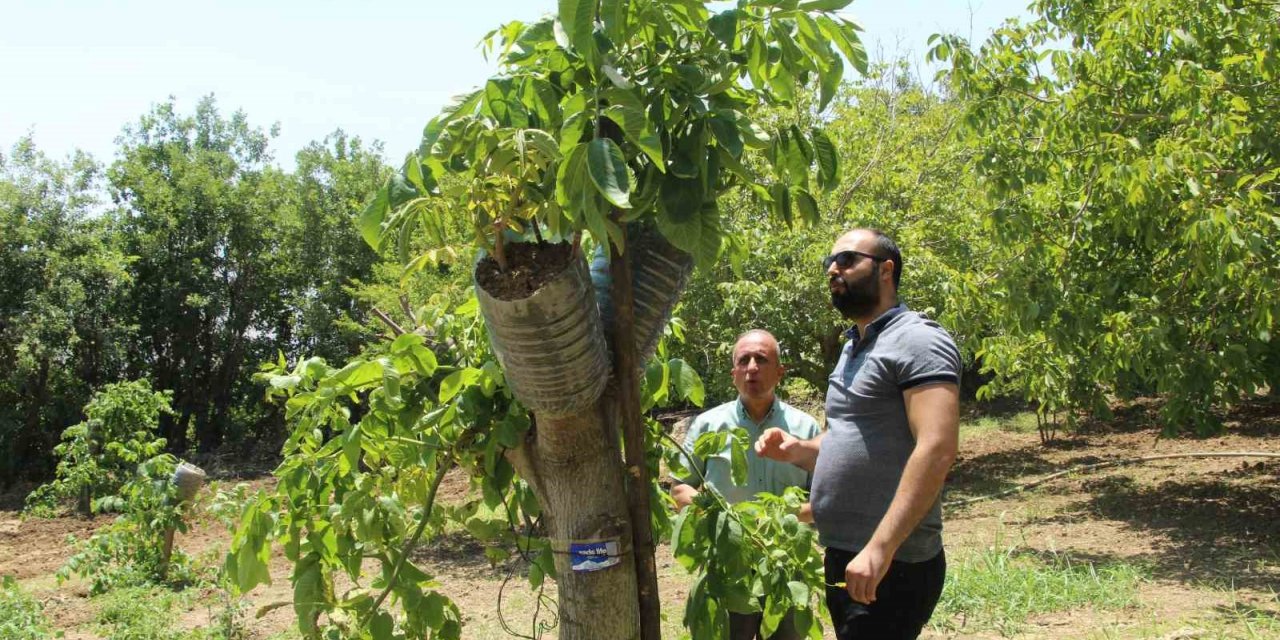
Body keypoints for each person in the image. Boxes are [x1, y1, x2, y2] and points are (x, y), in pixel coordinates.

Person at [755, 229, 961, 639]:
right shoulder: (854, 346)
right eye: (829, 262)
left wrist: (880, 549)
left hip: (892, 562)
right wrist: (798, 450)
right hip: (847, 554)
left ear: (886, 270)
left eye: (848, 259)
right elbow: (848, 440)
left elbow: (937, 448)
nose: (834, 269)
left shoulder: (918, 340)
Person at [671, 329, 821, 640]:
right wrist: (722, 517)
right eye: (744, 360)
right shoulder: (707, 425)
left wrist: (781, 520)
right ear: (734, 374)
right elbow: (679, 489)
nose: (752, 367)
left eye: (762, 359)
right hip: (726, 566)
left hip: (786, 566)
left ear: (780, 372)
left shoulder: (806, 428)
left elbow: (823, 501)